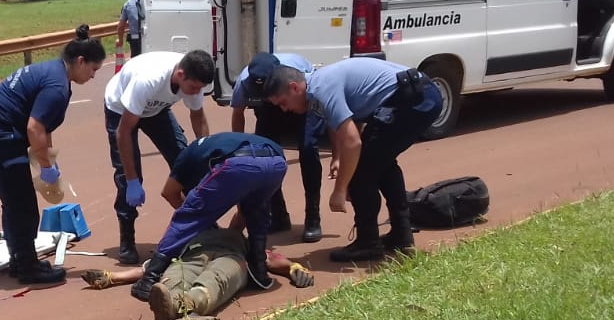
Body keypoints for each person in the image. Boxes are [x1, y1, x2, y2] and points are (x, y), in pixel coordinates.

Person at [264, 57, 442, 262]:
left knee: (362, 171)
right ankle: (401, 234)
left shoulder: (321, 89)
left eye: (283, 103)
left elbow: (353, 143)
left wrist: (340, 189)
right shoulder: (318, 85)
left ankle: (368, 243)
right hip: (415, 95)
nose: (285, 110)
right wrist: (339, 159)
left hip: (416, 100)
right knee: (380, 163)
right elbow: (349, 125)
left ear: (294, 87)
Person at [0, 25, 107, 284]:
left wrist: (49, 162)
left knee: (14, 198)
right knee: (22, 202)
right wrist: (46, 168)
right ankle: (27, 267)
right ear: (80, 61)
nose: (93, 76)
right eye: (93, 69)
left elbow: (44, 127)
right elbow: (34, 128)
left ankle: (19, 259)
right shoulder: (57, 86)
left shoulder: (55, 72)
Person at [81, 226, 315, 320]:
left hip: (232, 257)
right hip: (192, 254)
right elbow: (151, 266)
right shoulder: (191, 235)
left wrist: (294, 268)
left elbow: (270, 259)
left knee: (214, 280)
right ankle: (181, 318)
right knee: (171, 280)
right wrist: (112, 277)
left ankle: (182, 312)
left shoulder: (240, 238)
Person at [129, 132, 288, 301]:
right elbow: (244, 213)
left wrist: (203, 225)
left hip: (238, 163)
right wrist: (221, 234)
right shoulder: (217, 147)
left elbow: (169, 193)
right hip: (276, 163)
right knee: (257, 212)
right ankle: (259, 271)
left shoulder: (186, 158)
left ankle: (149, 279)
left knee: (188, 216)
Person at [104, 49, 216, 265]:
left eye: (199, 89)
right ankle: (127, 238)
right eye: (193, 88)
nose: (195, 93)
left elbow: (198, 116)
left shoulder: (193, 82)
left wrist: (204, 156)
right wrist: (132, 180)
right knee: (128, 173)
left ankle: (201, 224)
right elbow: (123, 132)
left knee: (186, 161)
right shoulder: (147, 80)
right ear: (181, 75)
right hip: (121, 109)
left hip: (156, 110)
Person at [229, 51, 326, 242]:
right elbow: (238, 112)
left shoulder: (296, 71)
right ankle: (279, 216)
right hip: (269, 113)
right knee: (265, 157)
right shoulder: (244, 81)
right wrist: (238, 145)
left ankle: (313, 218)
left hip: (301, 105)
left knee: (308, 149)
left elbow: (315, 95)